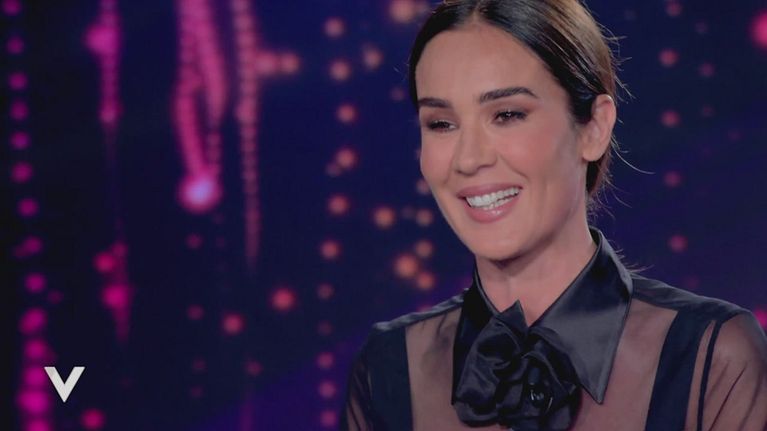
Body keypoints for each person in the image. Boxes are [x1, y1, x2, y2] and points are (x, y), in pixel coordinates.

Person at [341, 0, 767, 429]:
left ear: (594, 128)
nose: (468, 159)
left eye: (507, 115)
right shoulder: (389, 368)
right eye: (441, 124)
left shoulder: (710, 359)